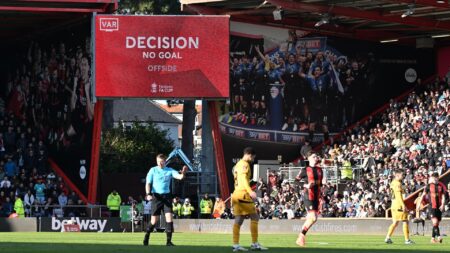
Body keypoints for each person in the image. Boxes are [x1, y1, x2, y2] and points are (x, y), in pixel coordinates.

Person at [143, 153, 187, 247]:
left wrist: (183, 173)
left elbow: (180, 177)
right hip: (156, 197)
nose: (160, 164)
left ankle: (168, 242)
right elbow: (148, 183)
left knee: (169, 218)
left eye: (162, 162)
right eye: (158, 162)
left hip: (167, 196)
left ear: (165, 161)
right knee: (154, 221)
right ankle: (146, 236)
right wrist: (148, 194)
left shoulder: (169, 170)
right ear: (156, 161)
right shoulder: (153, 170)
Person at [231, 147, 267, 252]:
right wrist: (250, 191)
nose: (253, 160)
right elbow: (242, 179)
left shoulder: (237, 165)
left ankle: (236, 245)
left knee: (239, 219)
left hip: (236, 194)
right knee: (255, 217)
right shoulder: (244, 164)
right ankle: (254, 243)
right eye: (253, 157)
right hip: (243, 194)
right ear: (249, 155)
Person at [295, 151, 324, 247]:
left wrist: (321, 196)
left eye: (317, 156)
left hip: (316, 196)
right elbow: (296, 182)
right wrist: (306, 185)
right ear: (309, 158)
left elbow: (320, 184)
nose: (316, 158)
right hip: (308, 196)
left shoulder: (320, 170)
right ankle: (301, 236)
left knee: (313, 219)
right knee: (313, 217)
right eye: (314, 156)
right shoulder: (305, 170)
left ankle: (301, 237)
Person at [385, 169, 414, 245]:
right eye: (402, 175)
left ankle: (387, 237)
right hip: (399, 205)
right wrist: (403, 205)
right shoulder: (398, 183)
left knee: (395, 222)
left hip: (393, 205)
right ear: (397, 175)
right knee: (405, 221)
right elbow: (398, 196)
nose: (403, 176)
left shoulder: (392, 183)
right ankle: (407, 240)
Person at [418, 172, 447, 243]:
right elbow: (423, 195)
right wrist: (419, 204)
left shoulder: (441, 186)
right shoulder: (428, 186)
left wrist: (443, 204)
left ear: (438, 177)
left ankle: (432, 238)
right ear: (432, 178)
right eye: (434, 178)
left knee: (436, 224)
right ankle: (439, 237)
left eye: (436, 178)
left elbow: (443, 196)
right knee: (435, 222)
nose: (435, 179)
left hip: (439, 207)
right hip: (432, 207)